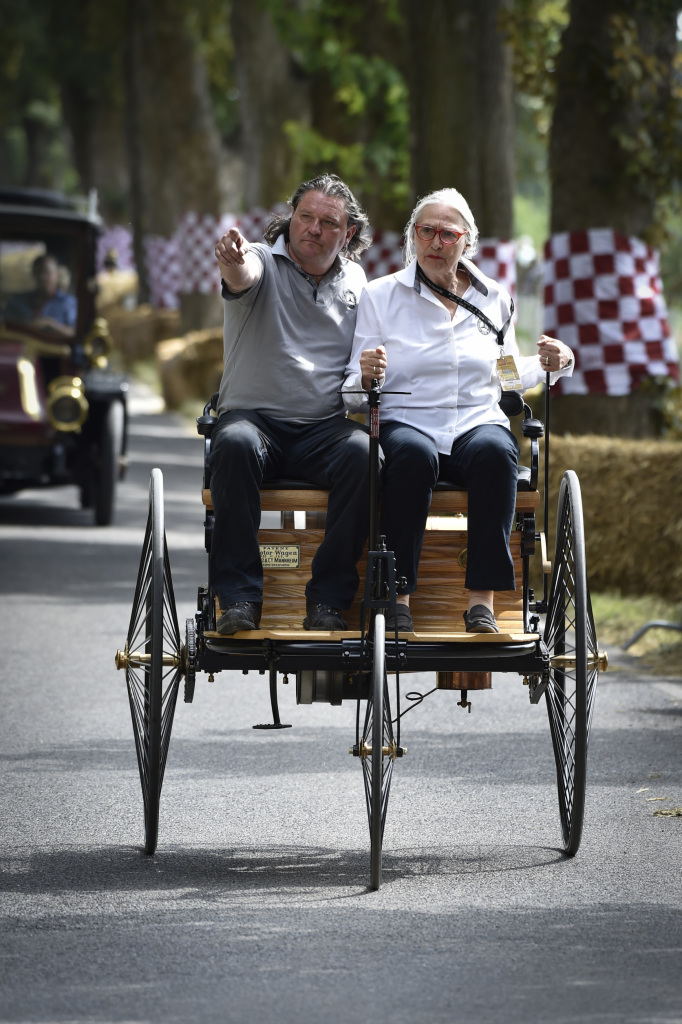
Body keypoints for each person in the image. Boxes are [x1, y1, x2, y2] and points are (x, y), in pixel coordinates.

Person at [343, 187, 574, 634]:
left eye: (447, 234)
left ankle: (481, 604)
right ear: (412, 236)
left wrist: (554, 364)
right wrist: (368, 375)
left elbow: (505, 374)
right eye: (425, 231)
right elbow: (353, 388)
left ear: (467, 241)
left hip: (473, 421)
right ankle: (399, 598)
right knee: (411, 456)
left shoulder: (495, 297)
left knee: (497, 450)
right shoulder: (380, 296)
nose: (434, 242)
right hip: (408, 421)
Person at [210, 173, 376, 635]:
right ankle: (239, 599)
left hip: (322, 427)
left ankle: (328, 600)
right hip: (254, 422)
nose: (314, 228)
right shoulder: (261, 259)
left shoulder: (358, 282)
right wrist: (232, 263)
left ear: (349, 234)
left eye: (328, 222)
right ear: (291, 217)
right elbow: (243, 276)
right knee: (235, 443)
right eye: (305, 216)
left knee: (366, 454)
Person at [4, 253, 77, 337]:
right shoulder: (18, 301)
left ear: (57, 274)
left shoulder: (69, 303)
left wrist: (50, 325)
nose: (42, 277)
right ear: (33, 274)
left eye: (47, 272)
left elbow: (76, 333)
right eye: (38, 272)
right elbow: (4, 325)